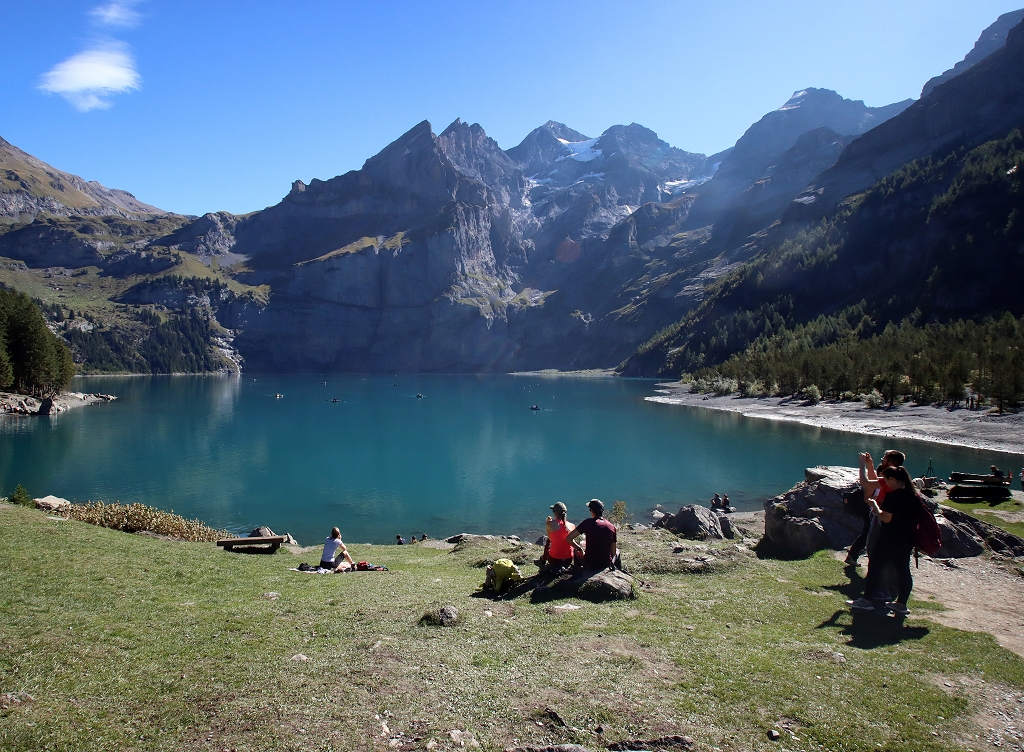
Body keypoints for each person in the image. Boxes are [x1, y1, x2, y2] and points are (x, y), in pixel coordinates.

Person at [847, 465, 920, 614]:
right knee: (903, 569)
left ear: (893, 479)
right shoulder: (914, 496)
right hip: (907, 539)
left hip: (889, 537)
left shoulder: (892, 497)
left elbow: (886, 518)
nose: (885, 483)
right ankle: (901, 604)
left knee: (875, 567)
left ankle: (867, 600)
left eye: (886, 480)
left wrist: (875, 505)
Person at [846, 449, 905, 565]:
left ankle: (874, 567)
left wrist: (862, 465)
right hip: (881, 511)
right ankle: (855, 557)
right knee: (868, 534)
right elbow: (874, 481)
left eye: (884, 459)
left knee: (872, 539)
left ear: (891, 463)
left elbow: (866, 482)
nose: (882, 460)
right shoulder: (897, 476)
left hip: (881, 513)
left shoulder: (890, 479)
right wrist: (870, 465)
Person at [565, 499, 618, 570]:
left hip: (589, 563)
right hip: (605, 563)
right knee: (618, 551)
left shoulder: (587, 523)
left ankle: (577, 571)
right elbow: (613, 552)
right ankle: (616, 569)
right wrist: (612, 562)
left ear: (592, 511)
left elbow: (569, 538)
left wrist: (579, 548)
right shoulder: (611, 526)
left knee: (576, 550)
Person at [540, 502, 576, 572]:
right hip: (568, 559)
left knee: (549, 545)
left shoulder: (550, 524)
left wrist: (547, 522)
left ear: (555, 513)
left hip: (554, 559)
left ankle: (543, 560)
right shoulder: (572, 525)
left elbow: (550, 539)